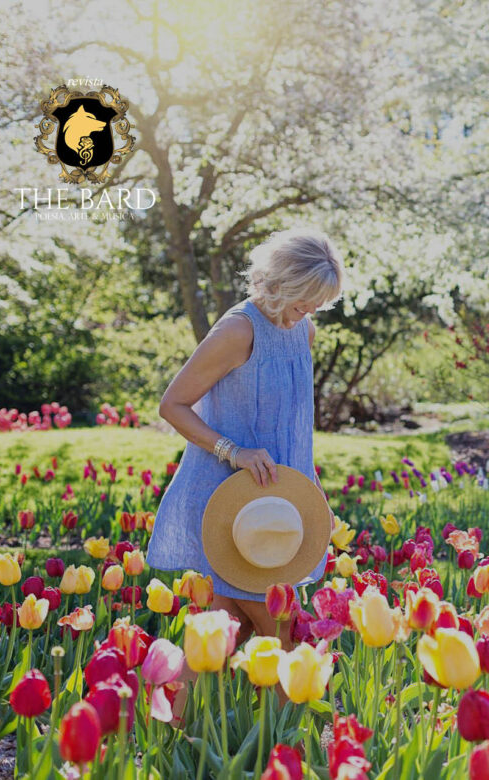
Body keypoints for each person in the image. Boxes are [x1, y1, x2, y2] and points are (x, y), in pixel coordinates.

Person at [147, 227, 347, 650]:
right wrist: (232, 452)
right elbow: (173, 406)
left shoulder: (303, 331)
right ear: (281, 283)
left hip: (279, 505)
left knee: (218, 639)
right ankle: (307, 720)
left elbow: (295, 428)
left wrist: (310, 493)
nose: (310, 311)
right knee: (290, 641)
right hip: (237, 506)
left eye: (319, 303)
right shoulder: (238, 331)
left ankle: (170, 717)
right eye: (304, 300)